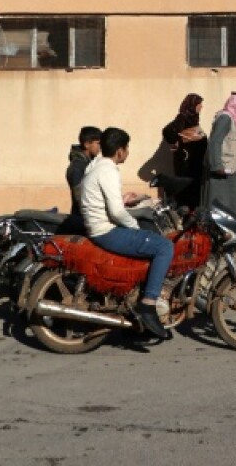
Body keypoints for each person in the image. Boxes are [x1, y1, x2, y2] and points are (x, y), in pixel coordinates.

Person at [79, 127, 173, 340]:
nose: (128, 152)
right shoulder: (108, 170)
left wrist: (124, 200)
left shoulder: (94, 166)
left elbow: (106, 202)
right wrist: (134, 226)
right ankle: (148, 304)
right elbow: (116, 212)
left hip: (97, 227)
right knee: (164, 246)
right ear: (120, 151)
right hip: (106, 231)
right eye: (127, 148)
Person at [203, 92, 236, 223]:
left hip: (233, 168)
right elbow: (215, 142)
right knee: (222, 203)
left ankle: (235, 232)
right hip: (224, 169)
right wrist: (217, 166)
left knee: (234, 202)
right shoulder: (225, 118)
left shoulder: (233, 119)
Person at [161, 93, 207, 210]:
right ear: (192, 105)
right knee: (188, 192)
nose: (201, 107)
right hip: (187, 164)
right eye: (199, 104)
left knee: (195, 192)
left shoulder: (193, 119)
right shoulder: (183, 117)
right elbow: (167, 131)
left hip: (196, 162)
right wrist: (176, 142)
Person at [65, 126, 103, 227]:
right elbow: (80, 199)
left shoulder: (90, 164)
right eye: (98, 143)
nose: (100, 147)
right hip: (83, 221)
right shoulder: (77, 167)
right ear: (87, 144)